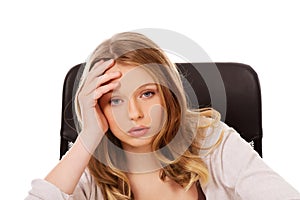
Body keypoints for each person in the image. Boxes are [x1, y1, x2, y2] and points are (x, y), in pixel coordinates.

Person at [26, 32, 300, 200]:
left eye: (146, 94)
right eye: (115, 101)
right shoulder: (88, 166)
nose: (134, 115)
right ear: (97, 107)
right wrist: (87, 138)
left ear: (168, 94)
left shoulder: (211, 139)